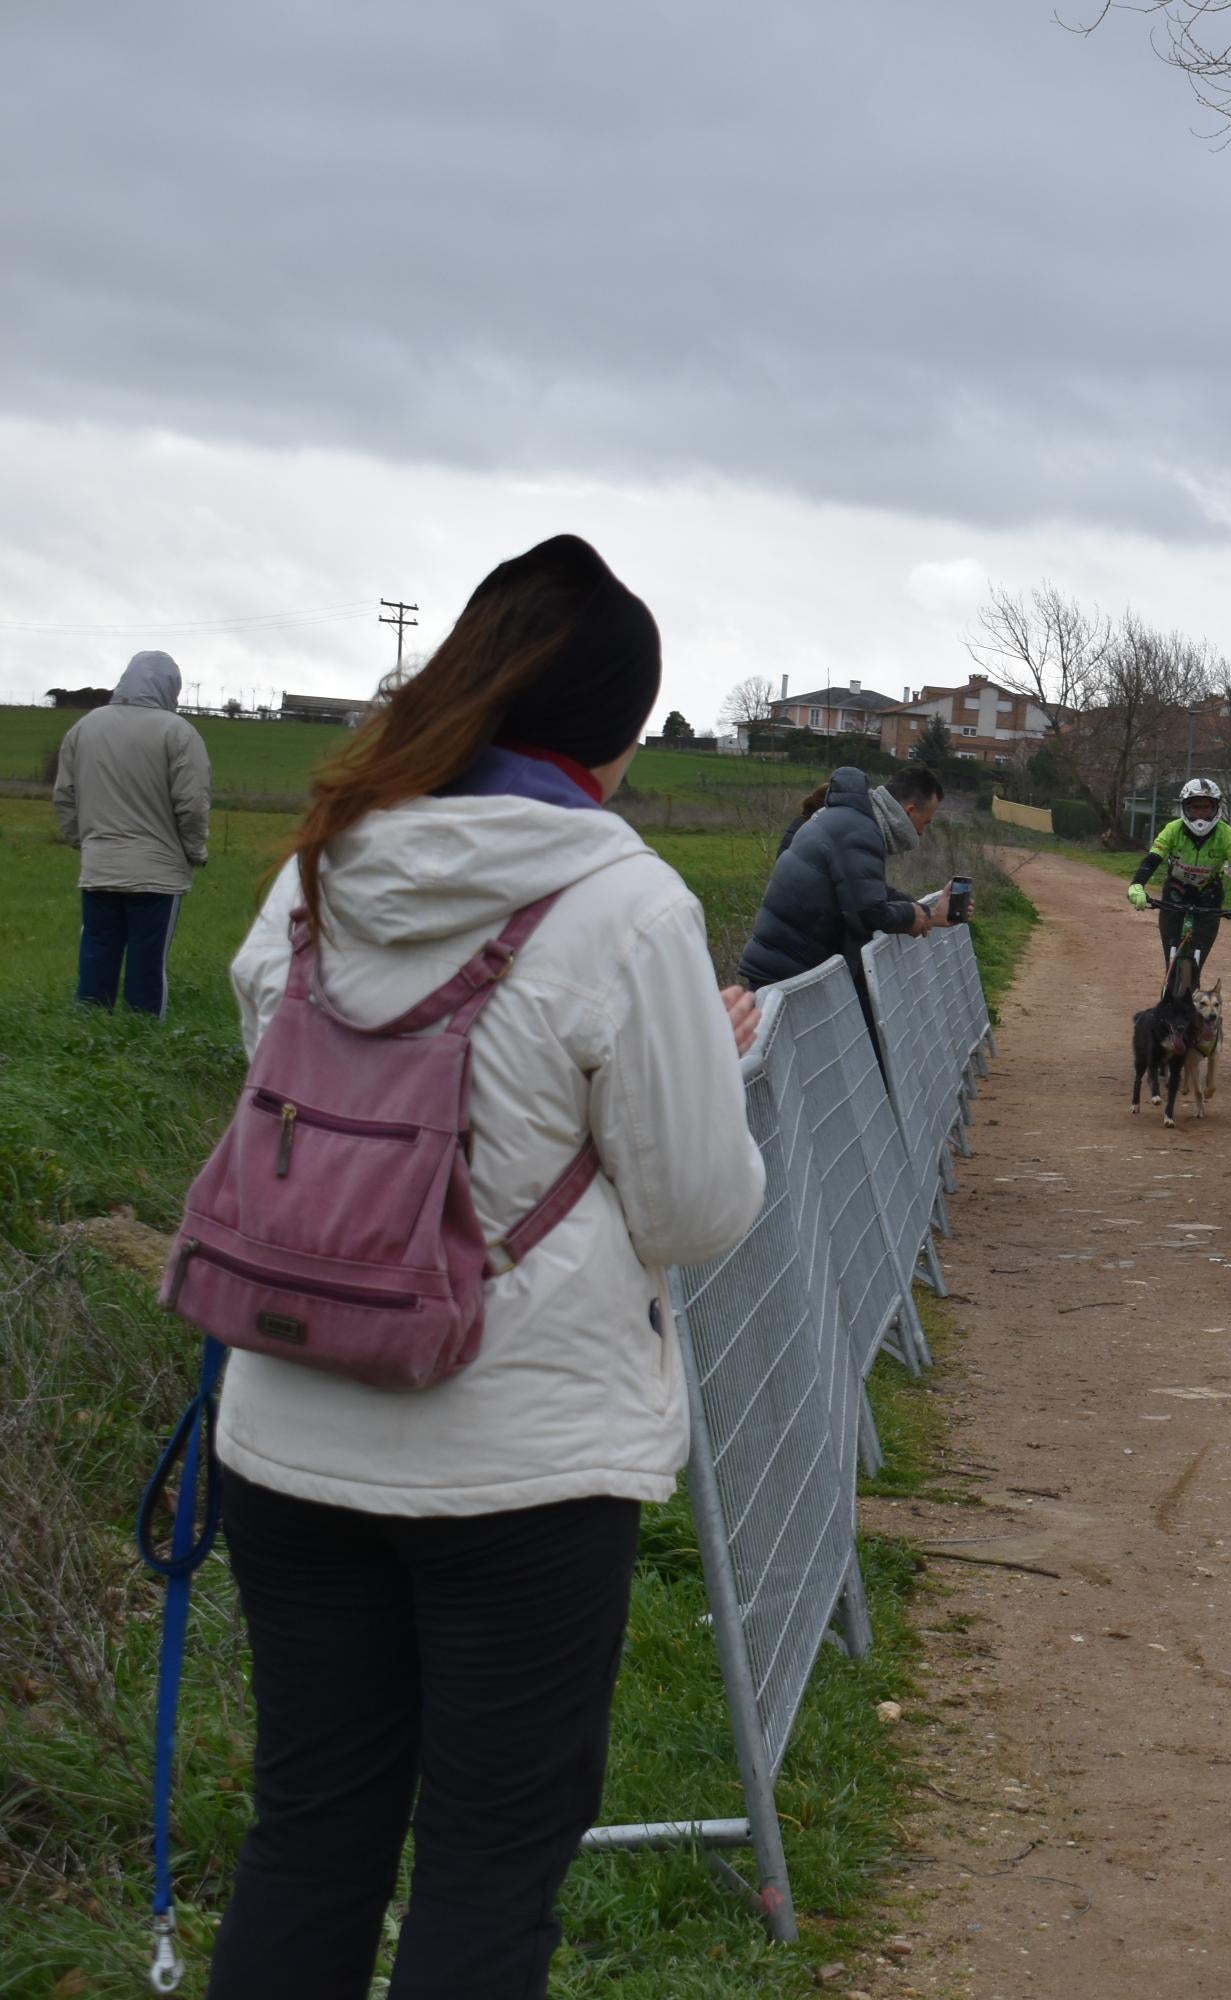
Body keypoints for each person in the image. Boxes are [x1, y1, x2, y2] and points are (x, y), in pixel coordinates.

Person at [207, 534, 766, 1997]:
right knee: (486, 1870)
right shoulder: (626, 905)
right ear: (618, 734)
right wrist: (710, 1068)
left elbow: (285, 1113)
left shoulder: (320, 865)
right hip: (518, 1471)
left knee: (310, 1838)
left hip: (287, 1435)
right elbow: (696, 1208)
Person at [52, 649, 211, 1015]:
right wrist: (194, 851)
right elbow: (192, 804)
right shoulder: (180, 734)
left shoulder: (85, 728)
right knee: (147, 965)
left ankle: (89, 1037)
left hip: (99, 867)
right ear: (172, 687)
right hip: (157, 875)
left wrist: (85, 841)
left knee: (96, 953)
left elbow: (64, 796)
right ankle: (140, 1044)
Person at [735, 765, 949, 988]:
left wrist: (925, 912)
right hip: (788, 974)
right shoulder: (860, 830)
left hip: (784, 964)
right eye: (925, 822)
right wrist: (909, 915)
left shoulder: (850, 820)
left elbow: (871, 891)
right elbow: (868, 912)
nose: (922, 833)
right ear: (909, 811)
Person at [1126, 777, 1231, 969]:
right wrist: (1137, 885)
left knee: (1197, 964)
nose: (1200, 815)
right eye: (1195, 808)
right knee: (1170, 960)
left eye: (1206, 808)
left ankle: (1192, 983)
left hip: (1209, 893)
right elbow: (1152, 859)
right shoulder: (1173, 829)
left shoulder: (1226, 833)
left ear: (1216, 809)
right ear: (1185, 809)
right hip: (1176, 890)